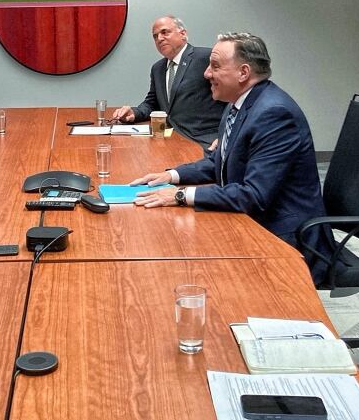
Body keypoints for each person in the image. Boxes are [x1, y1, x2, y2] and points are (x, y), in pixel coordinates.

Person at [131, 32, 334, 284]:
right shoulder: (238, 103)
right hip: (253, 221)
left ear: (243, 73)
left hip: (284, 238)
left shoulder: (274, 114)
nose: (206, 74)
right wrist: (172, 176)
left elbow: (254, 195)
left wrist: (181, 195)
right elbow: (222, 161)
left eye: (215, 66)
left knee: (187, 270)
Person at [111, 16, 225, 148]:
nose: (159, 38)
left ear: (183, 34)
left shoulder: (205, 58)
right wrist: (134, 113)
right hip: (171, 138)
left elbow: (232, 96)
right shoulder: (158, 68)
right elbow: (152, 103)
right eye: (155, 36)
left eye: (165, 32)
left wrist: (225, 136)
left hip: (204, 141)